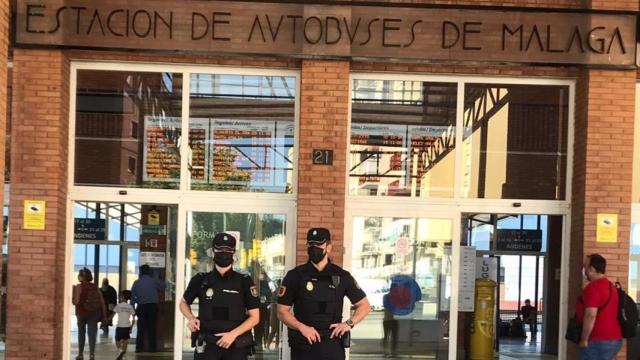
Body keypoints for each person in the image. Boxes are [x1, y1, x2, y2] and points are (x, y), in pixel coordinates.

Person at [277, 227, 371, 360]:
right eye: (311, 244)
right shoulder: (295, 276)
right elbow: (282, 311)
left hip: (332, 346)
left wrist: (348, 323)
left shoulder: (341, 276)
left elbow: (364, 306)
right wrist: (302, 327)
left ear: (328, 247)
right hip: (304, 346)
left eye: (319, 244)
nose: (314, 247)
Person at [180, 232, 260, 360]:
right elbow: (183, 303)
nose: (224, 252)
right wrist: (190, 318)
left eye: (228, 250)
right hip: (207, 345)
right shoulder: (200, 280)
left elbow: (255, 318)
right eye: (220, 249)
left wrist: (232, 335)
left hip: (235, 345)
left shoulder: (244, 281)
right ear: (213, 251)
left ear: (234, 253)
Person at [576, 254, 622, 360]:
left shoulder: (593, 288)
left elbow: (591, 315)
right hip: (614, 340)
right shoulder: (612, 287)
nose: (584, 270)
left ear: (591, 269)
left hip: (597, 340)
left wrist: (584, 339)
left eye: (585, 267)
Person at [72, 268, 107, 360]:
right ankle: (92, 355)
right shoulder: (95, 286)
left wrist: (72, 296)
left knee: (81, 333)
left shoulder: (79, 286)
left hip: (81, 313)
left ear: (81, 277)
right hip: (94, 313)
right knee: (92, 334)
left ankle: (80, 354)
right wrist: (104, 315)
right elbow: (102, 301)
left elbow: (76, 301)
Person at [131, 264, 166, 352]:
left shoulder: (136, 282)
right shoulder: (153, 281)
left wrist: (133, 309)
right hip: (152, 307)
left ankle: (139, 347)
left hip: (141, 307)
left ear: (141, 272)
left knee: (141, 329)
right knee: (152, 328)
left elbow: (133, 298)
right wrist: (157, 277)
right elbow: (164, 286)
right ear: (149, 272)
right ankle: (152, 348)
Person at [113, 290, 136, 360]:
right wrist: (131, 327)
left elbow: (112, 314)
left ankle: (120, 350)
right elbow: (134, 318)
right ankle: (124, 353)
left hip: (119, 326)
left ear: (122, 297)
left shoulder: (118, 306)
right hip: (127, 326)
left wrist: (107, 320)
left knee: (117, 340)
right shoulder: (130, 306)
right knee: (125, 340)